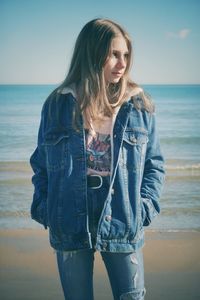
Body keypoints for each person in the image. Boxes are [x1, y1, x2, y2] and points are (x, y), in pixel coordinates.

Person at [30, 18, 165, 300]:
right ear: (92, 53)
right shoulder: (57, 104)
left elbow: (154, 164)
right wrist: (46, 208)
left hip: (123, 213)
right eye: (114, 54)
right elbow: (41, 163)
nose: (122, 63)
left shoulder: (139, 105)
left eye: (126, 55)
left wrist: (145, 208)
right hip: (69, 215)